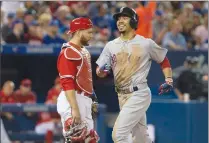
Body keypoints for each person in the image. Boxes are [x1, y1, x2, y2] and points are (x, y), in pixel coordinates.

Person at [96, 7, 173, 143]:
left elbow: (163, 60)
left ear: (134, 21)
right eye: (119, 18)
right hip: (122, 95)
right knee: (141, 137)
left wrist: (168, 79)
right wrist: (102, 71)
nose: (120, 21)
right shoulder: (111, 45)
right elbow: (99, 72)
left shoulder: (145, 43)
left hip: (139, 93)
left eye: (124, 18)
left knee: (118, 135)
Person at [56, 17, 99, 143]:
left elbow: (86, 78)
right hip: (73, 99)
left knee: (90, 140)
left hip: (84, 99)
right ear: (79, 31)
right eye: (89, 32)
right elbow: (67, 83)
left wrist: (92, 97)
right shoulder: (68, 52)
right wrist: (74, 109)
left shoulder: (83, 51)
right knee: (77, 139)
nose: (91, 35)